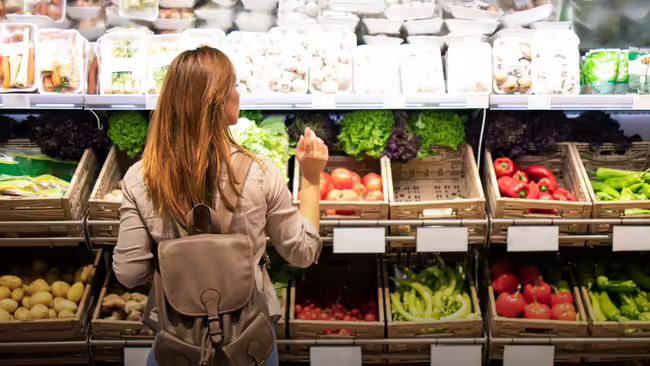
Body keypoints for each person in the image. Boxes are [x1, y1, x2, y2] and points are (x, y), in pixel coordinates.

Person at [112, 46, 328, 366]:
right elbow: (303, 252)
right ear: (218, 101)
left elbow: (129, 273)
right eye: (235, 86)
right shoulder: (260, 172)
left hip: (178, 344)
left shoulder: (140, 178)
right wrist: (311, 180)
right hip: (250, 342)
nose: (239, 94)